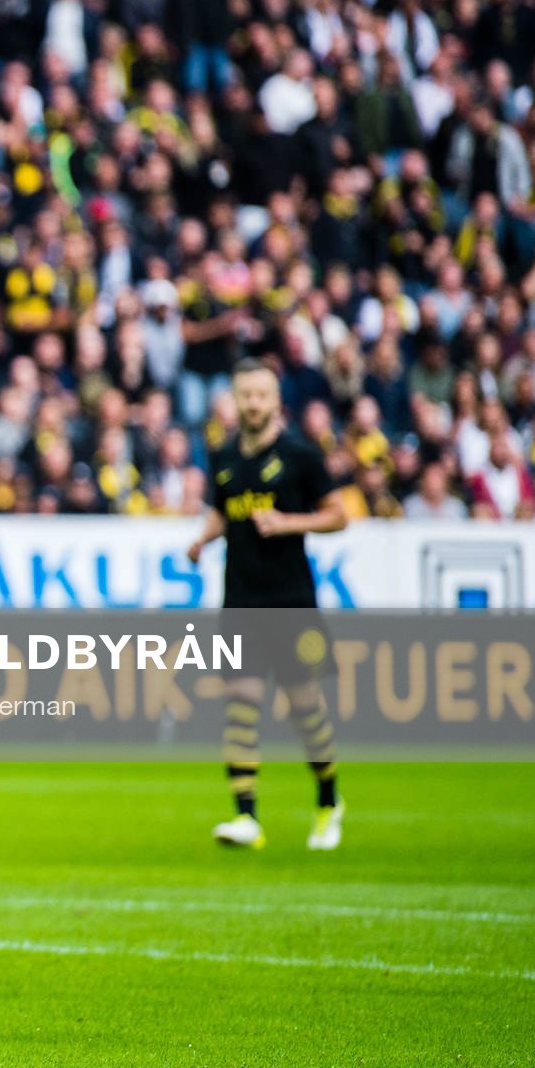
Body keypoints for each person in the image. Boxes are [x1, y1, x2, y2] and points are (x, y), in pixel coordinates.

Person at [187, 360, 352, 851]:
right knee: (241, 706)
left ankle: (328, 801)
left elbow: (339, 516)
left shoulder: (300, 454)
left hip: (290, 601)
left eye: (261, 395)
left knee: (305, 710)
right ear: (235, 400)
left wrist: (287, 524)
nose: (253, 403)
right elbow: (224, 510)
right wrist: (201, 540)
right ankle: (246, 818)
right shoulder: (222, 457)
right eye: (245, 395)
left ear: (276, 400)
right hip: (240, 600)